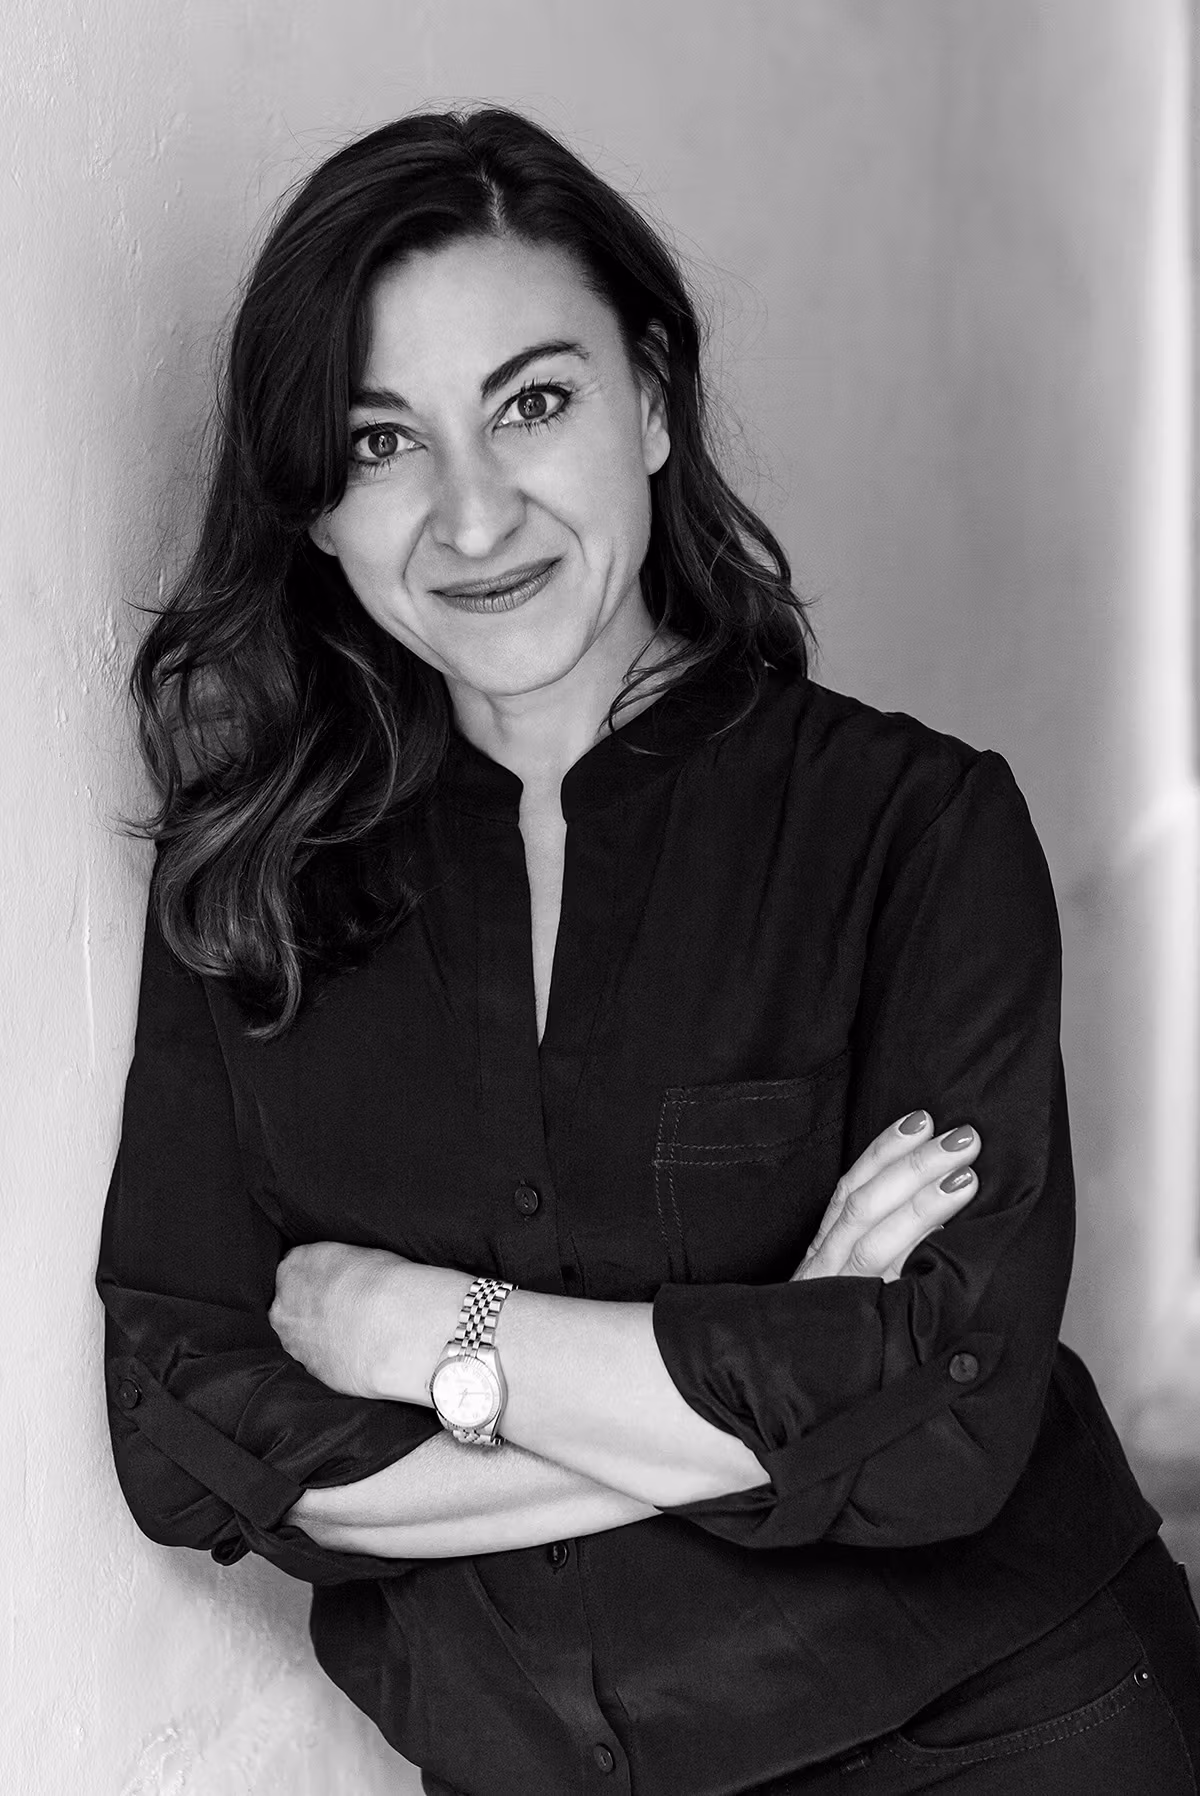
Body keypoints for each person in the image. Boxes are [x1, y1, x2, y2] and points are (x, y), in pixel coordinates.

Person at [96, 106, 1200, 1794]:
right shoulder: (251, 884)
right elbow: (189, 1437)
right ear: (312, 505)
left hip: (1003, 1731)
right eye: (384, 443)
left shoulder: (916, 831)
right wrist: (794, 1355)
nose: (473, 518)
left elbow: (957, 1424)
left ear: (657, 403)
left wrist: (423, 1338)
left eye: (535, 404)